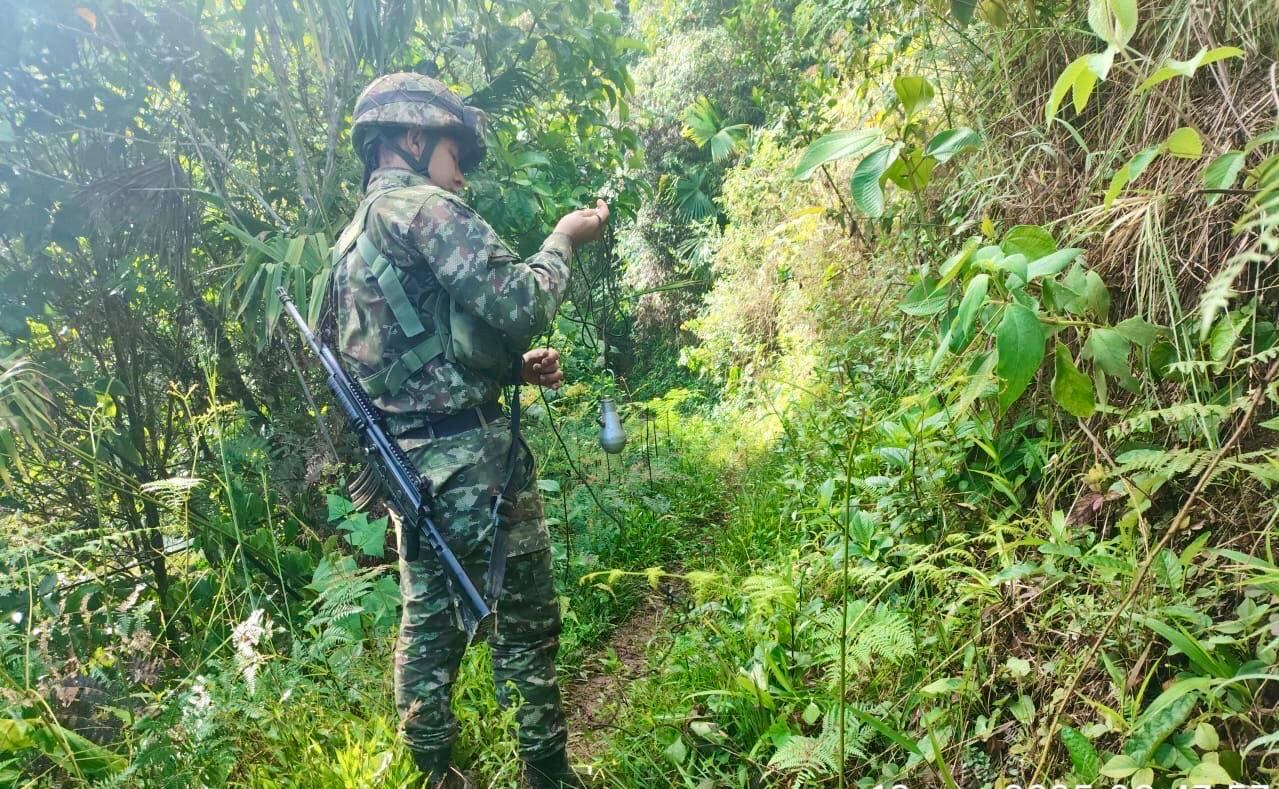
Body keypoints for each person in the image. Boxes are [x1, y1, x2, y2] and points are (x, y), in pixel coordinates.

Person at [330, 72, 608, 788]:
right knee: (524, 616)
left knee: (427, 629)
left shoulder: (350, 241)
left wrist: (508, 372)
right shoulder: (423, 210)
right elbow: (521, 300)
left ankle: (434, 776)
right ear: (414, 138)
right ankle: (545, 774)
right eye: (456, 151)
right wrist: (563, 239)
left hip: (412, 464)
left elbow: (409, 356)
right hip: (473, 462)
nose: (462, 174)